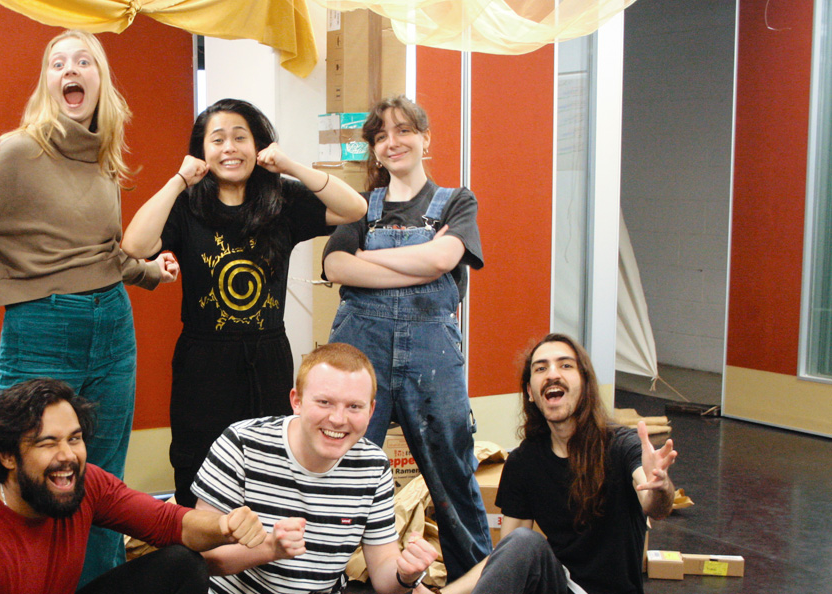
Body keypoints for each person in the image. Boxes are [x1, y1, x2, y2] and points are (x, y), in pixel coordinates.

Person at [0, 30, 178, 582]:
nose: (71, 69)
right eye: (58, 63)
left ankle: (100, 584)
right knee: (32, 475)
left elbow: (102, 251)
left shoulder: (102, 156)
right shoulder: (17, 152)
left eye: (84, 61)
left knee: (101, 477)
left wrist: (148, 273)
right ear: (47, 82)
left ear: (99, 80)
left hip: (112, 321)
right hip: (42, 323)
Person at [121, 98, 367, 508]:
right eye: (217, 140)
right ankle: (201, 547)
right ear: (202, 150)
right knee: (197, 469)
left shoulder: (282, 201)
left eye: (240, 138)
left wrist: (289, 165)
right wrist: (179, 180)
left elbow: (354, 207)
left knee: (270, 470)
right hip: (203, 362)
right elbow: (134, 245)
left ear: (259, 147)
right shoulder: (187, 204)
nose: (229, 148)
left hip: (267, 358)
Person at [321, 95, 490, 580]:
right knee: (339, 468)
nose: (392, 142)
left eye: (403, 131)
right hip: (361, 352)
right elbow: (336, 266)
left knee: (453, 473)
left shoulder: (457, 201)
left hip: (432, 355)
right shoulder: (359, 206)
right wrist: (419, 264)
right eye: (381, 136)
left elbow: (443, 259)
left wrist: (369, 261)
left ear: (425, 138)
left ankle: (477, 582)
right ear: (374, 149)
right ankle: (321, 579)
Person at [0, 378, 268, 594]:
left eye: (75, 438)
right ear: (7, 456)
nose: (68, 456)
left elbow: (169, 523)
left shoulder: (84, 484)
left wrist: (225, 526)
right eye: (48, 443)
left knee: (182, 564)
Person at [413, 333, 679, 594]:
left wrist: (660, 486)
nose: (552, 374)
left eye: (565, 365)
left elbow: (654, 505)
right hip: (562, 586)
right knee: (523, 542)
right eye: (541, 368)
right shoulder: (524, 462)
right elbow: (506, 557)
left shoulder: (621, 445)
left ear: (585, 383)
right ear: (531, 392)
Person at [191, 343, 439, 594]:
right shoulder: (242, 444)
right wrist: (269, 549)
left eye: (354, 406)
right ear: (296, 401)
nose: (338, 419)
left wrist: (406, 575)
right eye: (324, 402)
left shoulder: (373, 466)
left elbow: (384, 572)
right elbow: (203, 558)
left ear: (371, 410)